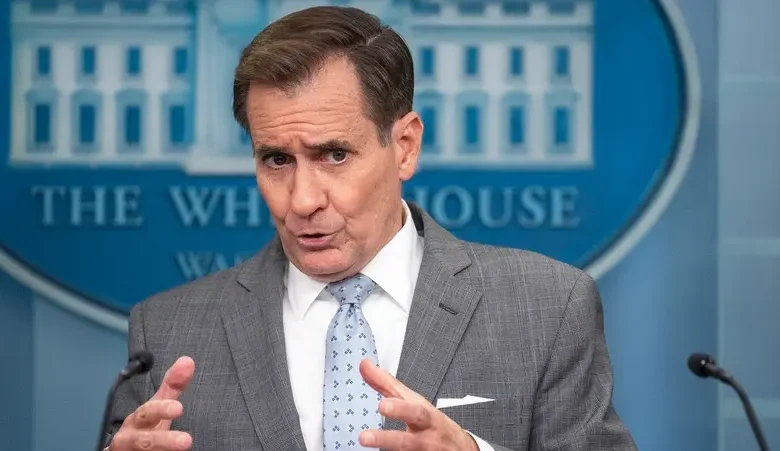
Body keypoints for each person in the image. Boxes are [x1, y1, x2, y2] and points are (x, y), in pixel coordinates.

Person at [105, 6, 637, 451]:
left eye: (334, 155)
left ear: (405, 146)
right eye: (276, 160)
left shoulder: (546, 308)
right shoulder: (167, 332)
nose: (303, 200)